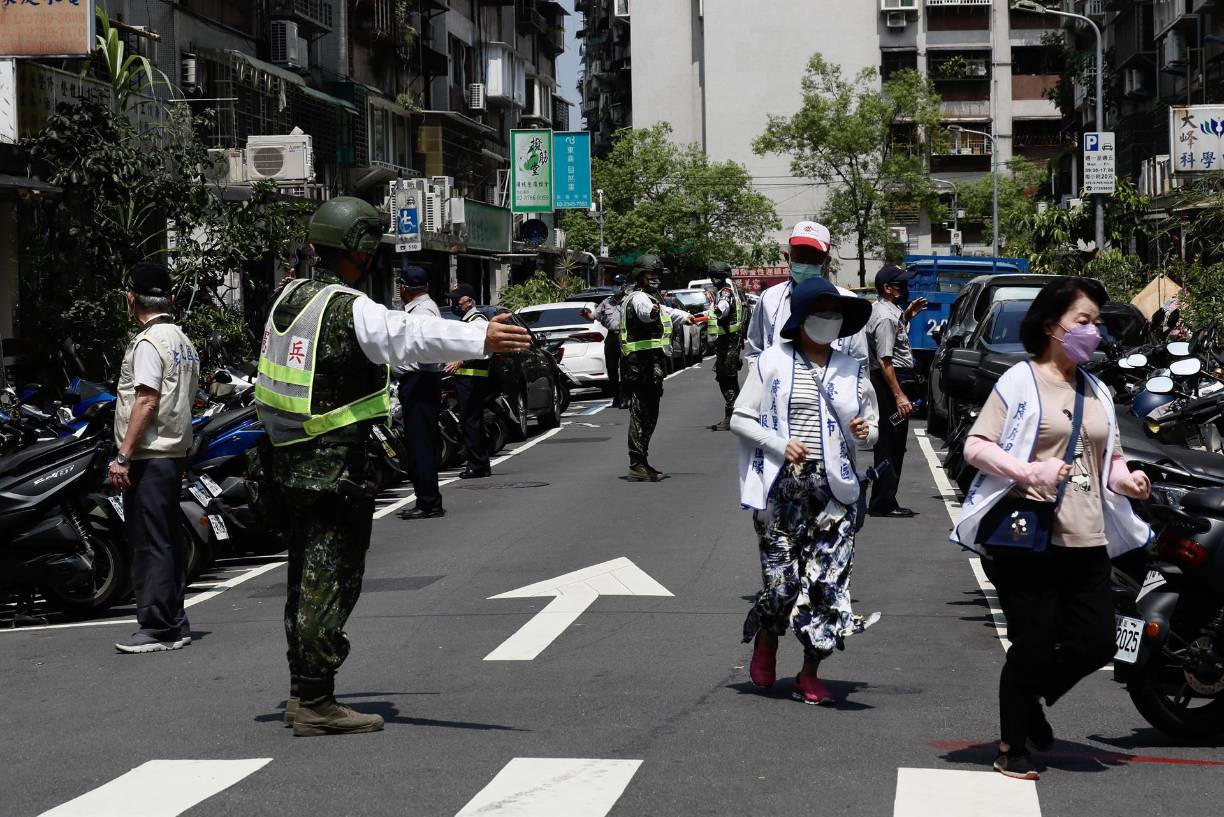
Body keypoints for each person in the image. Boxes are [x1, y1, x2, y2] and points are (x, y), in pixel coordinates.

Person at [255, 197, 530, 736]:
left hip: (289, 461)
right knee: (329, 580)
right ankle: (315, 700)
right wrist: (481, 337)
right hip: (334, 464)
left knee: (303, 577)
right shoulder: (347, 305)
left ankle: (301, 690)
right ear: (359, 250)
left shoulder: (290, 298)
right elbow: (407, 334)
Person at [952, 276, 1152, 780]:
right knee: (1034, 644)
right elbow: (976, 446)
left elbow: (1111, 461)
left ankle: (1031, 701)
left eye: (1097, 323)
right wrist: (1027, 472)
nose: (1093, 331)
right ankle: (1010, 745)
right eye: (1083, 321)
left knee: (1098, 642)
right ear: (1051, 327)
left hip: (1087, 536)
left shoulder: (1097, 389)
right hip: (1029, 535)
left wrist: (1129, 482)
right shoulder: (1021, 380)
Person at [731, 277, 881, 705]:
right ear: (801, 320)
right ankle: (767, 638)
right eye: (822, 314)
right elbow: (741, 418)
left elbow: (870, 431)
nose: (830, 323)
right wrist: (780, 444)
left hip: (837, 492)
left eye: (837, 316)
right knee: (782, 585)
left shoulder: (853, 371)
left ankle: (810, 671)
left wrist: (864, 430)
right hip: (785, 490)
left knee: (828, 586)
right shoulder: (771, 363)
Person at [110, 262, 200, 654]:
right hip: (173, 452)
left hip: (149, 455)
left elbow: (146, 401)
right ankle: (174, 622)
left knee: (149, 543)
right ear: (171, 299)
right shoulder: (181, 339)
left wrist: (123, 457)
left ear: (132, 299)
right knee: (167, 541)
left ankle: (158, 627)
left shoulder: (149, 343)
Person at [744, 221, 869, 368]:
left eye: (813, 258)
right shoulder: (769, 299)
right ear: (787, 258)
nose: (806, 263)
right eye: (800, 257)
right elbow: (755, 351)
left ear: (826, 262)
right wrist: (763, 381)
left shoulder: (847, 303)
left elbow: (859, 360)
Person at [620, 254, 693, 481]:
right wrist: (651, 313)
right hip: (640, 365)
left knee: (649, 414)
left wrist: (687, 316)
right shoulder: (640, 298)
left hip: (649, 364)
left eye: (657, 275)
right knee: (642, 414)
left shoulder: (652, 298)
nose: (655, 278)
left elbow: (665, 312)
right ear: (640, 276)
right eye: (651, 274)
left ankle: (642, 461)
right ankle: (636, 463)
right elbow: (646, 312)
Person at [864, 264, 927, 518]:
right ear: (887, 289)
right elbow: (885, 359)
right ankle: (883, 502)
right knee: (891, 443)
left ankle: (885, 498)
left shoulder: (889, 312)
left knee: (893, 442)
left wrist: (908, 316)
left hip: (890, 380)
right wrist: (899, 395)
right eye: (900, 285)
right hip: (889, 381)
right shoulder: (886, 317)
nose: (905, 288)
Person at [395, 265, 445, 519]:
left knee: (420, 443)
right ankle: (426, 498)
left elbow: (428, 347)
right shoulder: (421, 308)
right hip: (421, 379)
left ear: (404, 287)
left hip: (420, 380)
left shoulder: (422, 311)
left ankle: (428, 501)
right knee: (420, 441)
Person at [446, 284, 492, 480]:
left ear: (470, 302)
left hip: (472, 378)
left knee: (471, 422)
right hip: (466, 378)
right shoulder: (466, 320)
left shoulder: (477, 320)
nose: (455, 304)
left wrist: (461, 360)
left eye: (458, 301)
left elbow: (484, 348)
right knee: (471, 422)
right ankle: (480, 462)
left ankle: (477, 464)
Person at [707, 261, 745, 430]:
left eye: (717, 276)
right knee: (729, 378)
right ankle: (737, 415)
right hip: (730, 342)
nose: (714, 279)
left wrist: (717, 311)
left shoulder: (726, 291)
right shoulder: (733, 288)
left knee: (726, 379)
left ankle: (732, 417)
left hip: (728, 342)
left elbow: (724, 305)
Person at [585, 274, 629, 408]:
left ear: (624, 285)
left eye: (618, 284)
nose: (615, 287)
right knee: (612, 369)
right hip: (612, 337)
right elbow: (594, 316)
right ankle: (616, 396)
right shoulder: (606, 302)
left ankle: (625, 397)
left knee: (626, 369)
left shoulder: (630, 300)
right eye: (614, 284)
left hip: (626, 337)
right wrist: (587, 315)